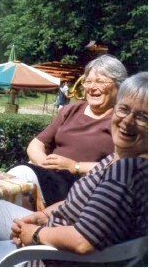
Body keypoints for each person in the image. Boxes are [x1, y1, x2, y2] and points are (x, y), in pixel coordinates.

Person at [0, 72, 148, 267]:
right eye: (124, 109)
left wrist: (36, 233)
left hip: (53, 258)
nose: (127, 121)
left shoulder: (123, 175)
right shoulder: (120, 158)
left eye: (142, 117)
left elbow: (83, 241)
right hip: (56, 231)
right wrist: (43, 215)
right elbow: (81, 203)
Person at [8, 54, 127, 207]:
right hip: (48, 176)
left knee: (18, 177)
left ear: (119, 85)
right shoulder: (71, 110)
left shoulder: (122, 119)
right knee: (11, 181)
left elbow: (122, 163)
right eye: (88, 81)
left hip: (81, 187)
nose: (91, 87)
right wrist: (44, 164)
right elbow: (36, 144)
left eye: (100, 81)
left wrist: (75, 166)